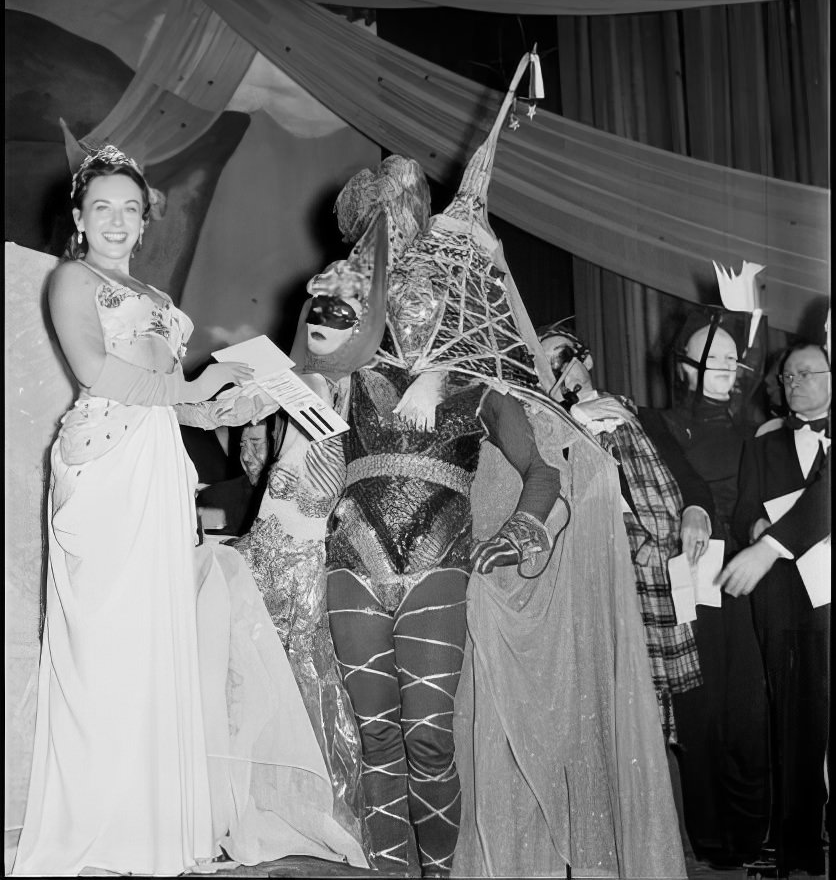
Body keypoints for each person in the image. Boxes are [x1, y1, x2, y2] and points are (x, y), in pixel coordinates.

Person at [322, 62, 686, 878]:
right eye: (396, 277)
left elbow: (543, 472)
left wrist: (523, 529)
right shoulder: (343, 364)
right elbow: (294, 450)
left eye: (427, 287)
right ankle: (392, 871)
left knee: (426, 735)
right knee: (376, 734)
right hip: (351, 559)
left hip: (439, 562)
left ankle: (444, 871)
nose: (412, 295)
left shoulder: (477, 382)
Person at [10, 145, 366, 876]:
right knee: (105, 643)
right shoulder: (71, 280)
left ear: (144, 223)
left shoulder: (159, 299)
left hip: (159, 463)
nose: (116, 221)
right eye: (101, 207)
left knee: (154, 641)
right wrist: (199, 388)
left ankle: (150, 829)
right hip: (105, 462)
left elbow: (186, 406)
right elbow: (98, 372)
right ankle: (95, 824)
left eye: (130, 209)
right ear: (78, 217)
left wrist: (247, 396)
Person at [230, 213, 391, 857]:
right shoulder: (305, 380)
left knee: (301, 673)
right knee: (264, 668)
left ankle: (318, 806)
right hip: (275, 538)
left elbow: (331, 479)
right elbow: (256, 464)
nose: (323, 320)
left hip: (308, 551)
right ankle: (277, 805)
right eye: (316, 307)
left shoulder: (360, 385)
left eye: (342, 311)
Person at [535, 324, 710, 745]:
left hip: (676, 570)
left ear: (586, 358)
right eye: (543, 364)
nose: (556, 370)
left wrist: (697, 510)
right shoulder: (547, 431)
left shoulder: (642, 414)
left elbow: (689, 477)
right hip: (610, 577)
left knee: (688, 718)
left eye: (561, 357)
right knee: (631, 717)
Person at [639, 310, 770, 868]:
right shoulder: (655, 422)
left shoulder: (757, 430)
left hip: (747, 580)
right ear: (684, 368)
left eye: (729, 357)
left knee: (748, 710)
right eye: (709, 356)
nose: (723, 364)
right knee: (700, 712)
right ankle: (713, 843)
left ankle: (751, 835)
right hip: (686, 581)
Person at [718, 340, 831, 877]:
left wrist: (771, 542)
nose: (793, 384)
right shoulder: (763, 446)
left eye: (806, 373)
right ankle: (800, 853)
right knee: (796, 726)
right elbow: (742, 512)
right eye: (786, 378)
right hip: (789, 601)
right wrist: (755, 530)